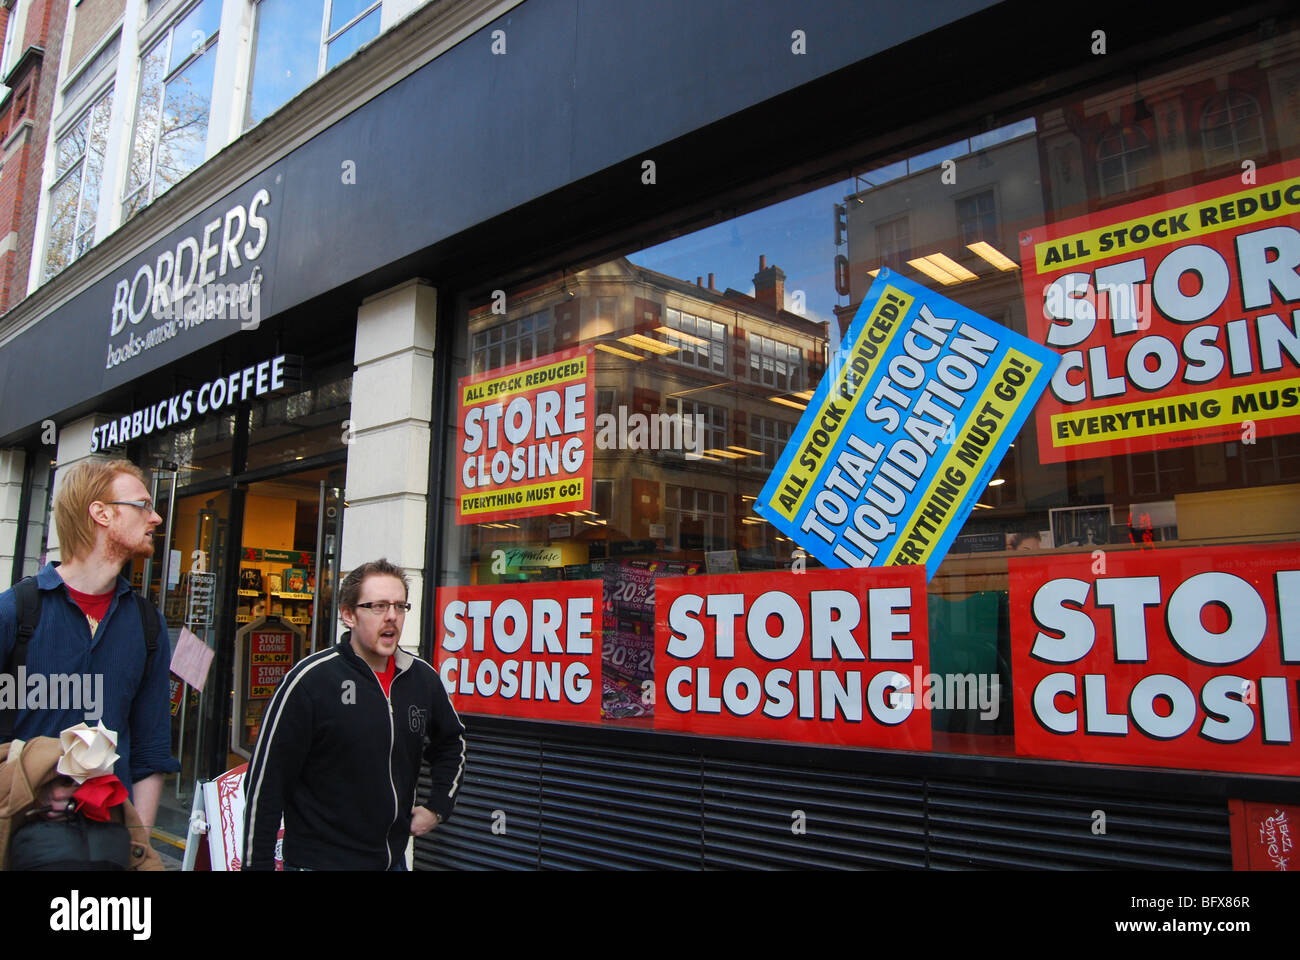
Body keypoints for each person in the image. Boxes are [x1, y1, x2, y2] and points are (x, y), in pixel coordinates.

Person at [242, 558, 466, 870]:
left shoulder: (422, 679)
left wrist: (439, 805)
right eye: (378, 606)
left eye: (400, 606)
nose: (392, 617)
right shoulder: (310, 681)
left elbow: (451, 744)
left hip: (392, 862)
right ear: (349, 615)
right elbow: (266, 784)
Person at [0, 459, 179, 830]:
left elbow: (151, 749)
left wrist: (138, 846)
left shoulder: (148, 625)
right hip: (19, 841)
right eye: (143, 505)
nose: (156, 518)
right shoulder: (16, 611)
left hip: (109, 850)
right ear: (100, 513)